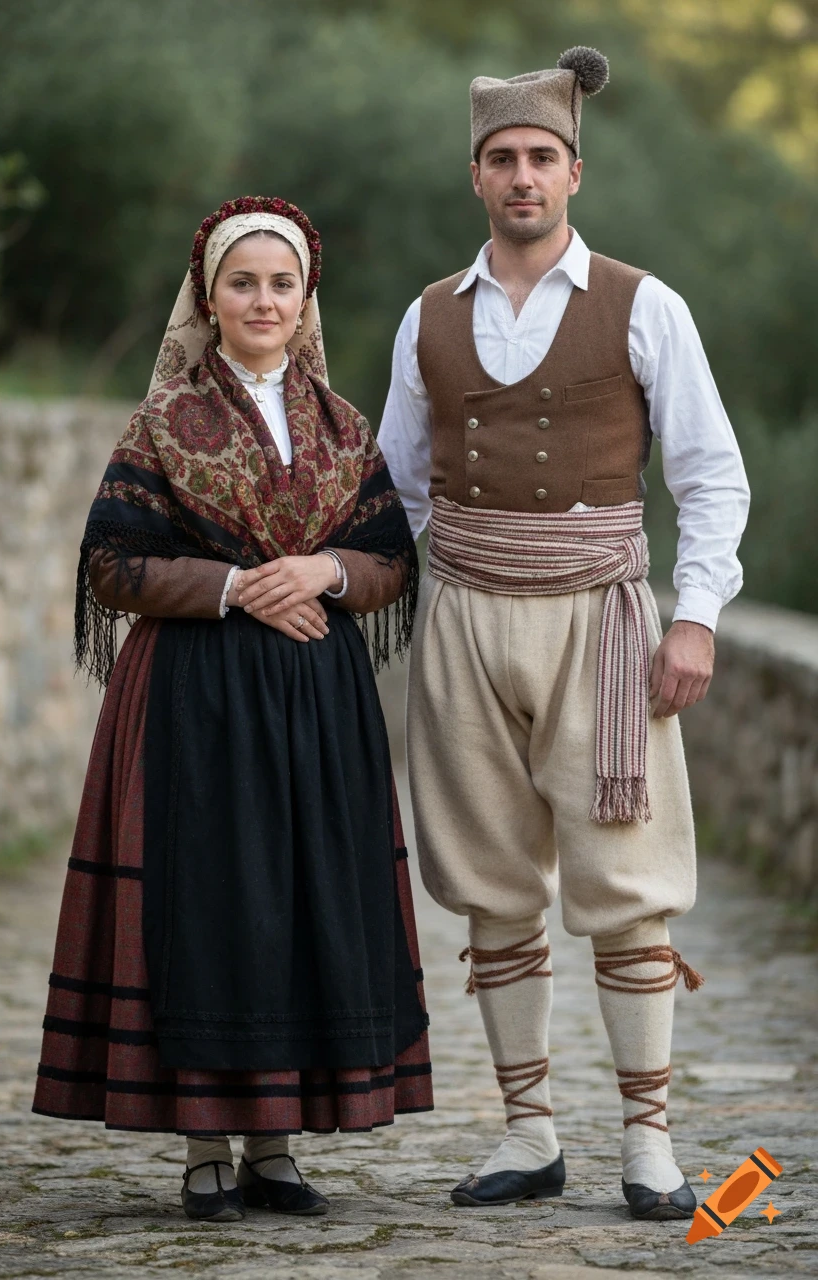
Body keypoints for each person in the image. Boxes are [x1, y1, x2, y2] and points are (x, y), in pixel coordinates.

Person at [378, 48, 749, 1220]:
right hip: (465, 620)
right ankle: (527, 1127)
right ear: (474, 175)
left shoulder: (645, 304)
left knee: (627, 885)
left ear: (573, 173)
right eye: (501, 159)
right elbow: (395, 489)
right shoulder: (427, 314)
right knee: (489, 885)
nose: (521, 176)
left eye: (541, 157)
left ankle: (647, 1139)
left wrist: (691, 619)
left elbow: (711, 477)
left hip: (602, 624)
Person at [33, 196, 432, 1222]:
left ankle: (276, 1145)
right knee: (206, 901)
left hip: (316, 702)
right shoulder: (162, 422)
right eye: (241, 282)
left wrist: (321, 571)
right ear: (207, 299)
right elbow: (111, 565)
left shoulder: (343, 429)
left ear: (307, 303)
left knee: (300, 899)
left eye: (280, 283)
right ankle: (205, 1145)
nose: (262, 299)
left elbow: (391, 560)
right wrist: (228, 588)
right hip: (192, 702)